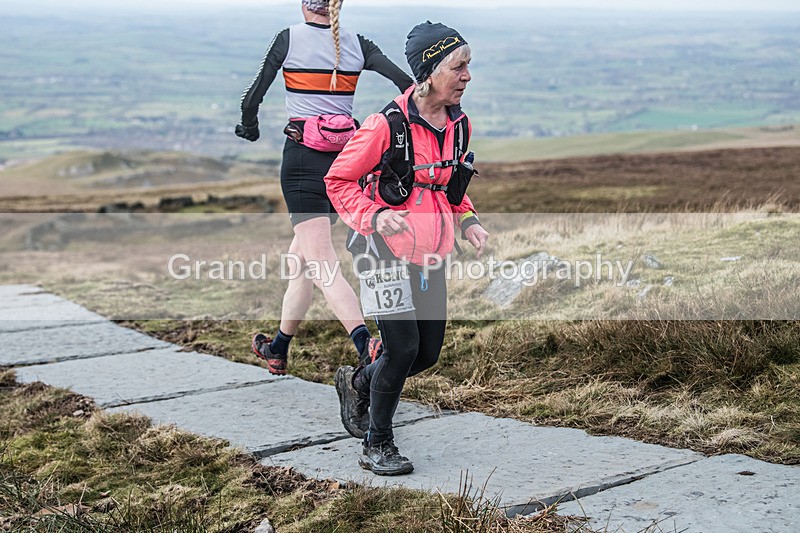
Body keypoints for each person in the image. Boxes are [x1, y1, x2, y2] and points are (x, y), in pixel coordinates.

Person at [325, 21, 489, 475]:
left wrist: (469, 222)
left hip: (432, 251)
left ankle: (359, 381)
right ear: (430, 72)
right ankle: (378, 443)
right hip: (380, 251)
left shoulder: (459, 125)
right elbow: (338, 180)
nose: (467, 76)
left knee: (426, 353)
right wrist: (375, 216)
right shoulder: (385, 125)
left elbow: (453, 186)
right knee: (400, 350)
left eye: (468, 65)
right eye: (459, 66)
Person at [235, 0, 414, 375]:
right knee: (300, 263)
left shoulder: (288, 39)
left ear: (304, 4)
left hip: (303, 162)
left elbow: (253, 96)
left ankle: (364, 341)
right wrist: (387, 132)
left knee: (321, 263)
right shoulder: (359, 45)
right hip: (347, 163)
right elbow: (406, 87)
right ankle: (278, 348)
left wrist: (249, 127)